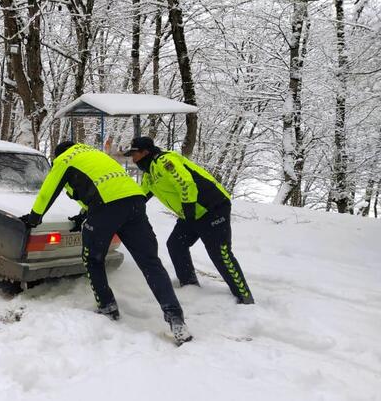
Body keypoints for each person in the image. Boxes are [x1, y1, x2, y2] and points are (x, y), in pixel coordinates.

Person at [20, 141, 192, 344]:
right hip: (135, 202)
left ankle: (107, 306)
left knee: (92, 258)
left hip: (106, 208)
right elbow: (104, 186)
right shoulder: (95, 155)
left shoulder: (64, 160)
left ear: (59, 155)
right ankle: (176, 319)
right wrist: (83, 214)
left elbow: (48, 191)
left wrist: (34, 218)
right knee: (151, 263)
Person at [124, 136, 254, 304]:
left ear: (145, 152)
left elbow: (186, 183)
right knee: (176, 244)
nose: (132, 159)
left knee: (220, 254)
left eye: (134, 154)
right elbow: (140, 196)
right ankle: (189, 284)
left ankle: (244, 297)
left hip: (212, 208)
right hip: (192, 212)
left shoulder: (165, 161)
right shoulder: (150, 174)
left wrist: (189, 210)